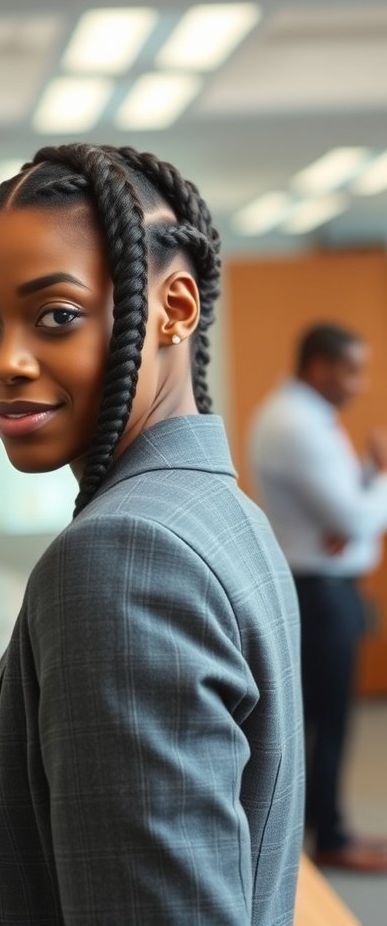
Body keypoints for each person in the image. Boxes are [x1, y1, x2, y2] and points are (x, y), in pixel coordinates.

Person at [0, 143, 304, 926]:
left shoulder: (123, 558)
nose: (4, 361)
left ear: (175, 309)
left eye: (57, 315)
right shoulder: (220, 513)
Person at [248, 322, 387, 873]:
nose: (360, 384)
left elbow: (349, 515)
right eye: (352, 370)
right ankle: (327, 838)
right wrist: (379, 484)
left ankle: (328, 827)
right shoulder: (295, 421)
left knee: (326, 719)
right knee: (325, 721)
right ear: (320, 366)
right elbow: (352, 517)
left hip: (328, 587)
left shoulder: (308, 417)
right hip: (317, 592)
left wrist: (367, 483)